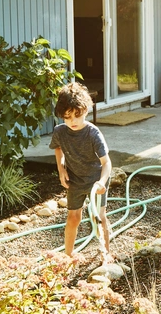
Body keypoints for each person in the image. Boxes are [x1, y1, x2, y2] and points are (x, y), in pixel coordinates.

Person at [49, 82, 113, 262]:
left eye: (77, 116)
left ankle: (105, 254)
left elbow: (107, 163)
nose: (73, 122)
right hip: (75, 180)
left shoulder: (93, 133)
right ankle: (68, 255)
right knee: (73, 217)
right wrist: (61, 169)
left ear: (85, 110)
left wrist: (102, 182)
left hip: (96, 181)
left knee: (98, 216)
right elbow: (58, 148)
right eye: (67, 117)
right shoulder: (60, 132)